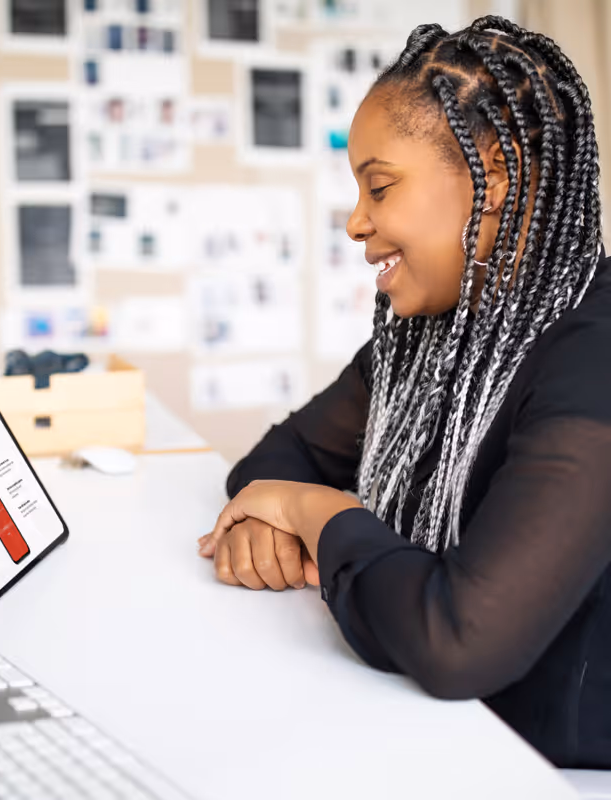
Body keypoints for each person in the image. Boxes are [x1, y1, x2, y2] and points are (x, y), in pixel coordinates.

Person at [197, 16, 611, 769]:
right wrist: (273, 510)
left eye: (379, 187)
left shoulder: (596, 353)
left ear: (498, 170)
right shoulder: (435, 327)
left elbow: (459, 642)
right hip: (427, 740)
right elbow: (273, 460)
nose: (358, 223)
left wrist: (314, 512)